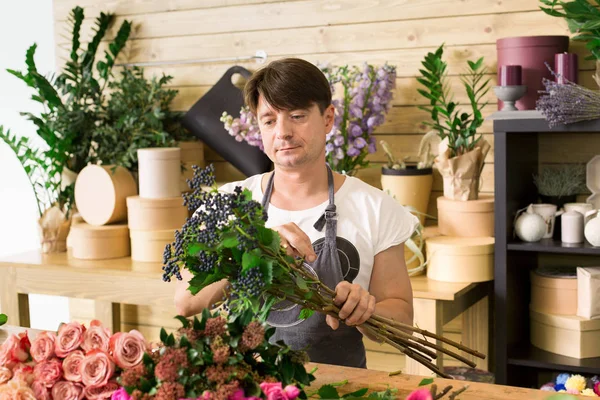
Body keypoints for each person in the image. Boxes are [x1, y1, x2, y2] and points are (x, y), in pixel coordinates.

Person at [174, 58, 419, 368]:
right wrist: (253, 249)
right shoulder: (226, 205)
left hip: (339, 389)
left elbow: (403, 319)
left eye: (298, 116)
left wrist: (367, 311)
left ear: (328, 118)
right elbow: (186, 301)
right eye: (269, 120)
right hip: (246, 384)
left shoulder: (375, 207)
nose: (283, 132)